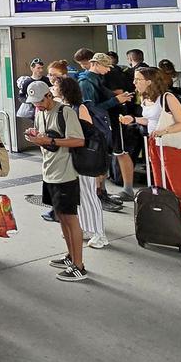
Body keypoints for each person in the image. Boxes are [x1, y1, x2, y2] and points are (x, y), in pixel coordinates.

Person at [120, 67, 181, 244]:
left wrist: (164, 131)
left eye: (138, 79)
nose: (134, 82)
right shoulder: (146, 98)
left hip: (173, 146)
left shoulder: (168, 98)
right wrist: (133, 119)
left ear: (149, 81)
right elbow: (150, 121)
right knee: (160, 186)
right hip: (155, 144)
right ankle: (170, 223)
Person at [24, 80, 89, 282]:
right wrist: (35, 137)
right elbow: (43, 137)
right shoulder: (39, 112)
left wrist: (49, 141)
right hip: (49, 172)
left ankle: (79, 265)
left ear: (49, 96)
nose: (37, 105)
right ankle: (70, 257)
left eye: (40, 101)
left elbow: (79, 140)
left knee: (70, 217)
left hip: (66, 173)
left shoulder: (65, 112)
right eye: (34, 102)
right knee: (60, 216)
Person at [52, 75, 109, 249]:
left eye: (55, 87)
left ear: (63, 90)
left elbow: (88, 133)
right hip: (71, 157)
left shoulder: (79, 108)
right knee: (79, 195)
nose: (52, 89)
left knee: (89, 195)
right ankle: (86, 228)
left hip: (83, 158)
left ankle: (99, 234)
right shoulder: (62, 108)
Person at [82, 52, 136, 203]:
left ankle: (103, 192)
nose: (108, 70)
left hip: (105, 123)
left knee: (108, 156)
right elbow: (92, 107)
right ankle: (100, 193)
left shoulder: (95, 79)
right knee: (106, 156)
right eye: (105, 66)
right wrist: (116, 100)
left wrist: (117, 99)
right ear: (96, 64)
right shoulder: (87, 82)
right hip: (102, 124)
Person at [15, 58, 45, 127]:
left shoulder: (46, 80)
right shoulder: (27, 82)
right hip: (32, 113)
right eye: (38, 68)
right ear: (32, 68)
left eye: (42, 68)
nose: (41, 70)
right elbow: (21, 96)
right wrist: (31, 102)